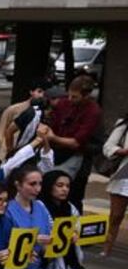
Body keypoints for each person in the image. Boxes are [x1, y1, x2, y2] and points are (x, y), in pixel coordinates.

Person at [0, 166, 65, 269]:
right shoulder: (7, 210)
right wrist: (32, 241)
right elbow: (3, 244)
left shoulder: (40, 207)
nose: (37, 189)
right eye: (32, 184)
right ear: (18, 185)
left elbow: (48, 240)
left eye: (40, 184)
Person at [40, 171, 93, 269]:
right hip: (49, 262)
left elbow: (78, 228)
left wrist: (75, 236)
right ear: (49, 186)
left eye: (67, 186)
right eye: (60, 185)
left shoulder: (70, 208)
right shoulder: (41, 207)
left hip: (67, 261)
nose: (64, 189)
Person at [45, 75, 102, 209]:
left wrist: (53, 137)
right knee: (49, 192)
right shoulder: (64, 104)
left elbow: (76, 142)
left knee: (73, 197)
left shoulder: (93, 112)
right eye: (69, 95)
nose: (70, 99)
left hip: (78, 157)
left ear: (86, 95)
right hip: (56, 153)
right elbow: (53, 123)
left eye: (75, 97)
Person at [102, 113, 128, 256]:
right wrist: (122, 151)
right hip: (124, 174)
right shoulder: (124, 124)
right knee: (116, 216)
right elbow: (108, 147)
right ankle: (107, 249)